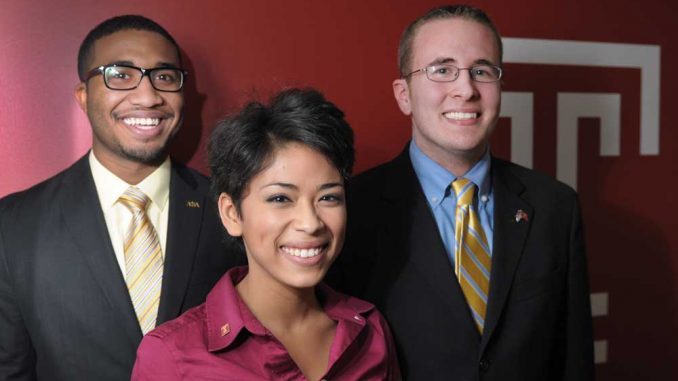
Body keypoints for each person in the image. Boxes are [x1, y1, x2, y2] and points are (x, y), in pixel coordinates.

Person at [329, 5, 594, 380]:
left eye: (482, 71)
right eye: (442, 70)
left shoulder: (555, 206)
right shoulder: (352, 210)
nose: (466, 89)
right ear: (403, 94)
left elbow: (574, 361)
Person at [0, 15, 242, 381]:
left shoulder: (231, 211)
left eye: (164, 77)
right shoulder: (14, 224)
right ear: (84, 96)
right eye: (120, 74)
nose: (147, 96)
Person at [131, 88, 401, 380]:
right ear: (232, 213)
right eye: (280, 199)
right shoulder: (172, 356)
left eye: (328, 198)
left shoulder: (369, 330)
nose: (311, 223)